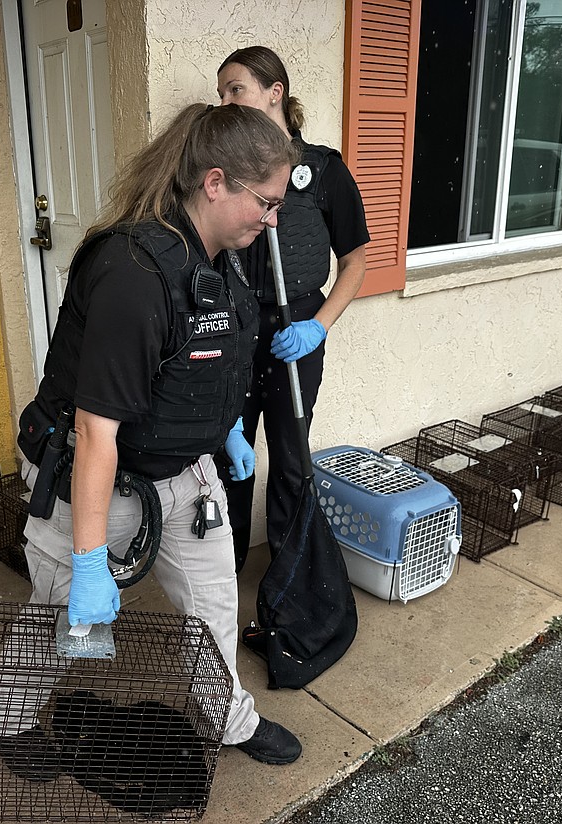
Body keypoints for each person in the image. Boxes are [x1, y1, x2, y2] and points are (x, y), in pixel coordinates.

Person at [0, 102, 303, 772]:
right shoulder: (133, 273)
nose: (273, 219)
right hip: (97, 477)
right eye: (265, 202)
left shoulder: (220, 255)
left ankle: (228, 717)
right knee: (69, 616)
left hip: (184, 472)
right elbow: (98, 432)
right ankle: (3, 718)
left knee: (213, 602)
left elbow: (206, 365)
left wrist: (228, 433)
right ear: (216, 183)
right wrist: (93, 562)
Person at [216, 47, 370, 572]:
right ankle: (224, 573)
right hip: (234, 331)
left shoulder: (323, 170)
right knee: (229, 461)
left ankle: (286, 584)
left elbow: (356, 262)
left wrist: (317, 328)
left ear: (274, 92)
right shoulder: (226, 177)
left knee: (288, 459)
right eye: (222, 94)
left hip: (297, 328)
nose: (226, 101)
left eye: (236, 89)